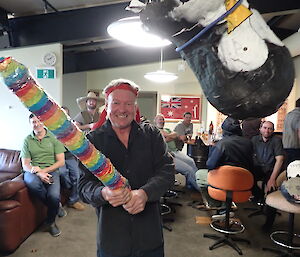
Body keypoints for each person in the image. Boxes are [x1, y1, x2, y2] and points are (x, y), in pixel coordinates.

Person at [78, 79, 175, 257]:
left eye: (128, 103)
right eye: (116, 103)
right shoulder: (92, 142)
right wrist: (103, 193)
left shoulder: (152, 136)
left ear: (135, 107)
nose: (122, 109)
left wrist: (145, 193)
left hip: (149, 237)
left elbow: (167, 171)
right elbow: (83, 186)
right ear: (106, 106)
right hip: (113, 239)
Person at [21, 114, 66, 237]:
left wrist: (44, 171)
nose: (36, 124)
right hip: (33, 172)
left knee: (54, 196)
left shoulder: (54, 137)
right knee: (32, 184)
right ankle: (56, 207)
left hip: (51, 170)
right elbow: (25, 164)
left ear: (43, 121)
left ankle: (51, 222)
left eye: (38, 121)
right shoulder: (27, 140)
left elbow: (61, 162)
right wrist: (38, 172)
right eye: (33, 122)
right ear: (30, 124)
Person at [196, 117, 253, 215]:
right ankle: (226, 206)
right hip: (243, 182)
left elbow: (210, 165)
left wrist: (213, 150)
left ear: (225, 130)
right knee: (226, 182)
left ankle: (216, 204)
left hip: (224, 181)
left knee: (199, 174)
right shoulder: (249, 143)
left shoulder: (222, 144)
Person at [251, 121, 285, 231]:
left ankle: (269, 223)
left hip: (271, 170)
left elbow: (280, 160)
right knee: (246, 181)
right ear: (260, 129)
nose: (267, 131)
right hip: (257, 169)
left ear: (273, 130)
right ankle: (259, 199)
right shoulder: (254, 140)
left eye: (270, 128)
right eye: (265, 128)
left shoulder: (276, 141)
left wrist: (272, 179)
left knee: (271, 189)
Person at [154, 113, 199, 191]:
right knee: (188, 170)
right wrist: (170, 136)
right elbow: (165, 139)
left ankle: (193, 185)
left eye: (163, 119)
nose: (162, 121)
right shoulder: (155, 131)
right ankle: (201, 190)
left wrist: (168, 136)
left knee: (191, 161)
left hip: (176, 151)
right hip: (167, 155)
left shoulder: (167, 129)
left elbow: (176, 134)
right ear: (155, 121)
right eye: (160, 119)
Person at [59, 106, 85, 211]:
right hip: (57, 157)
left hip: (69, 156)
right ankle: (69, 187)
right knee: (63, 173)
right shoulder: (51, 126)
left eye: (65, 114)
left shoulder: (71, 127)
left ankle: (73, 200)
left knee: (78, 175)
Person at [282, 98, 300, 166]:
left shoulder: (288, 114)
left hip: (286, 147)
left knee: (290, 169)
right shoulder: (299, 115)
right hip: (296, 148)